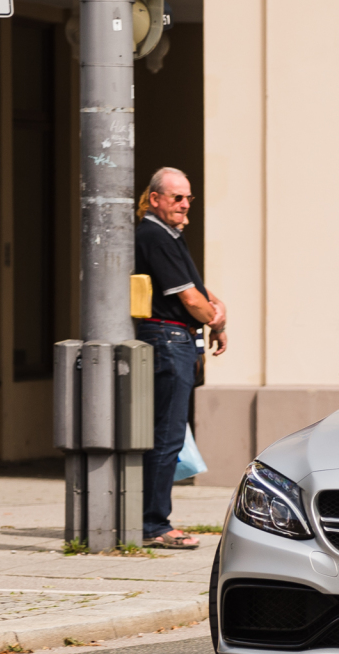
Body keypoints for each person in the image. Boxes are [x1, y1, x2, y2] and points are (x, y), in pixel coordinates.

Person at [135, 167, 228, 549]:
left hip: (176, 340)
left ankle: (151, 520)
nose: (185, 203)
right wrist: (215, 318)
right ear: (155, 198)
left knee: (169, 434)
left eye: (188, 197)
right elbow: (191, 301)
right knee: (166, 436)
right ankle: (154, 525)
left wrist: (214, 311)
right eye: (177, 197)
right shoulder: (154, 235)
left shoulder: (168, 235)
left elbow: (196, 291)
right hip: (169, 341)